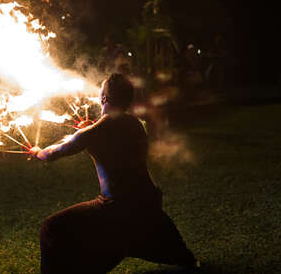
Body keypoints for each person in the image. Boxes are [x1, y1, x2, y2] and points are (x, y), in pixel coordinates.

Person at [30, 73, 199, 274]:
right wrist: (88, 130)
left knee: (51, 228)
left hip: (115, 207)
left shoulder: (92, 133)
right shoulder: (136, 124)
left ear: (103, 99)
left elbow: (53, 154)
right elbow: (110, 141)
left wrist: (38, 152)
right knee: (177, 254)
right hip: (148, 201)